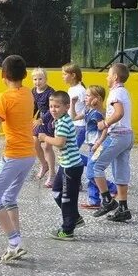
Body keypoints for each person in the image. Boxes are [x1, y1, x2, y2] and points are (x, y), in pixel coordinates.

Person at [0, 55, 36, 263]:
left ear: (3, 75)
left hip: (14, 155)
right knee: (8, 198)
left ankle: (14, 242)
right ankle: (18, 242)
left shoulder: (3, 98)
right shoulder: (28, 94)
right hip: (29, 155)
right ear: (24, 75)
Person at [89, 63, 135, 223]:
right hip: (127, 136)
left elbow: (119, 113)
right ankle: (123, 208)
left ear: (115, 77)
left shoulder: (115, 93)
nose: (107, 77)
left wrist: (105, 124)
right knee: (120, 171)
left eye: (109, 74)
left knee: (95, 165)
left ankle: (107, 200)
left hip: (116, 136)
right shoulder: (124, 92)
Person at [39, 91, 85, 240]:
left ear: (66, 107)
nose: (53, 109)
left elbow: (60, 143)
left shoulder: (64, 122)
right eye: (51, 106)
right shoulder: (60, 120)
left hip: (71, 167)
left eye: (57, 106)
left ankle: (67, 230)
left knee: (67, 199)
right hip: (65, 165)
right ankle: (74, 217)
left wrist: (46, 137)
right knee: (56, 191)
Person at [81, 85, 116, 209]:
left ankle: (112, 187)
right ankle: (94, 200)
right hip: (91, 144)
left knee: (91, 173)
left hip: (97, 145)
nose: (85, 98)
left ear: (98, 98)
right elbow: (74, 117)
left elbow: (105, 128)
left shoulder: (98, 113)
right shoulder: (89, 111)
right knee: (91, 170)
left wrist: (98, 142)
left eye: (88, 95)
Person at [30, 67, 56, 188]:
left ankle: (52, 174)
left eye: (40, 79)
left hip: (51, 120)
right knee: (34, 141)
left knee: (47, 147)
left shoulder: (51, 92)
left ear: (46, 79)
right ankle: (44, 164)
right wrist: (29, 118)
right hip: (40, 120)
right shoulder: (34, 91)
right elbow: (33, 106)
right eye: (35, 79)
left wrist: (41, 119)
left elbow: (52, 110)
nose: (38, 81)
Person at [61, 62, 87, 162]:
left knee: (70, 153)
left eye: (64, 74)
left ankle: (92, 165)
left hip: (80, 126)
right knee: (69, 153)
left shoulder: (80, 90)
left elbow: (87, 108)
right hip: (73, 125)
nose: (62, 77)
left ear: (73, 75)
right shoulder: (72, 89)